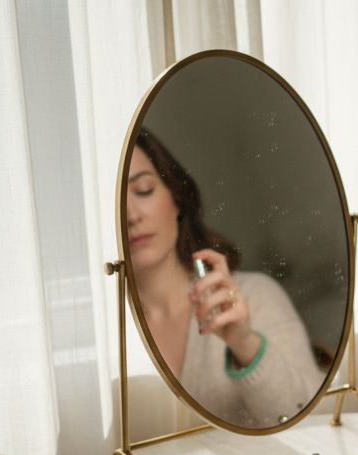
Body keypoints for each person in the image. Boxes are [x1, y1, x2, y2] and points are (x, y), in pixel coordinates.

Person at [126, 128, 323, 428]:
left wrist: (244, 343)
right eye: (116, 204)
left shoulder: (254, 296)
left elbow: (311, 424)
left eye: (143, 190)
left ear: (176, 199)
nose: (131, 215)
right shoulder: (110, 336)